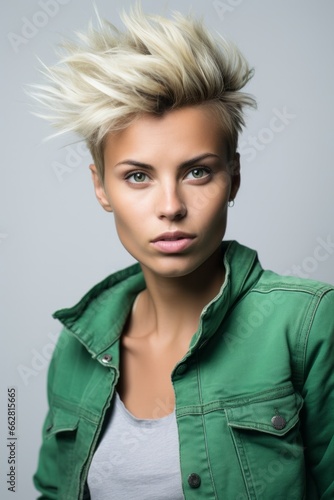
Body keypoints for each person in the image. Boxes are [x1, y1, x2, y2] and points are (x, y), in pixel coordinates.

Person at [31, 6, 334, 500]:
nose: (170, 207)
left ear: (234, 176)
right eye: (137, 176)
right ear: (100, 187)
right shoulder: (78, 347)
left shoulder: (309, 324)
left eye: (198, 172)